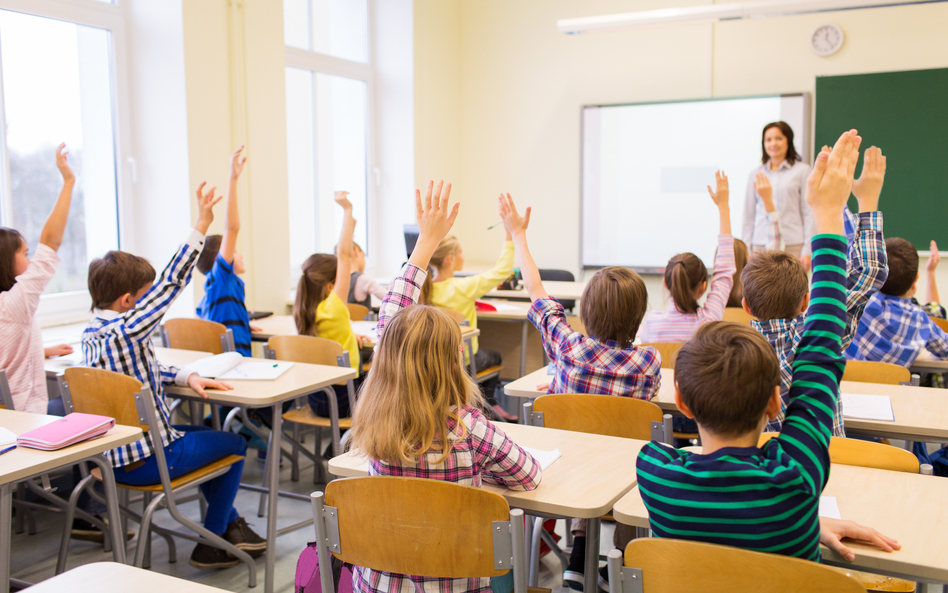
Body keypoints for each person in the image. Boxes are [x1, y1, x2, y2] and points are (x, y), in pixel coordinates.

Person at [636, 129, 901, 563]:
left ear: (681, 400)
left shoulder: (654, 473)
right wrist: (832, 214)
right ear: (777, 401)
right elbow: (820, 350)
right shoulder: (798, 479)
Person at [349, 180, 540, 593]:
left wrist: (426, 240)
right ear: (455, 362)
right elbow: (527, 476)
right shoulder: (468, 429)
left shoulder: (374, 424)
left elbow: (391, 320)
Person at [82, 182, 265, 569]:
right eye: (145, 297)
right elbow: (171, 283)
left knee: (205, 437)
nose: (153, 303)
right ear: (130, 302)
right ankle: (213, 539)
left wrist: (185, 375)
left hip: (110, 459)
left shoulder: (94, 335)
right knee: (233, 444)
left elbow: (138, 371)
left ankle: (228, 525)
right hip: (150, 458)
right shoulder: (127, 329)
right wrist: (201, 223)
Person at [496, 192, 660, 590]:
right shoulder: (649, 362)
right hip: (625, 474)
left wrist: (518, 235)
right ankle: (617, 563)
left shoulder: (568, 346)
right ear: (639, 315)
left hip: (568, 469)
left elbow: (536, 290)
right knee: (625, 465)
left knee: (579, 447)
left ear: (585, 310)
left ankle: (579, 552)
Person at [742, 145, 888, 436]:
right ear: (807, 302)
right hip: (825, 474)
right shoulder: (818, 336)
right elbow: (869, 271)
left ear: (745, 305)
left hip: (761, 476)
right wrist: (867, 200)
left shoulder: (732, 355)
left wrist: (770, 207)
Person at [0, 144, 75, 414]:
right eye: (25, 253)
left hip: (7, 420)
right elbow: (51, 242)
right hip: (26, 418)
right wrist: (68, 181)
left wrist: (39, 351)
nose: (30, 260)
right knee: (84, 403)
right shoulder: (14, 304)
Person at [423, 221, 516, 421]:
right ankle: (489, 404)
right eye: (461, 252)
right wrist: (509, 236)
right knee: (495, 356)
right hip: (463, 361)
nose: (464, 256)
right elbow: (502, 271)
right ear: (450, 259)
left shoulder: (425, 289)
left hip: (436, 360)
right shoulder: (463, 287)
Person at [638, 171, 735, 343]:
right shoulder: (707, 322)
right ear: (703, 287)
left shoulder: (652, 325)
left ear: (665, 284)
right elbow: (724, 272)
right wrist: (723, 207)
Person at [294, 191, 364, 418]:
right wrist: (347, 209)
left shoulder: (303, 311)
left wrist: (350, 337)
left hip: (316, 399)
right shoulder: (333, 307)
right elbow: (343, 255)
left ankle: (337, 443)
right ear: (329, 287)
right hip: (346, 400)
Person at [196, 145, 261, 356]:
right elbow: (232, 227)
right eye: (235, 251)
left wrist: (241, 322)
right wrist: (233, 179)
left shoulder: (214, 289)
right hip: (237, 366)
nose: (239, 254)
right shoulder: (221, 281)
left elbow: (203, 318)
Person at [846, 236, 948, 367]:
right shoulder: (921, 320)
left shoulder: (859, 303)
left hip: (849, 382)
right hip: (891, 386)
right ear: (916, 278)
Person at [742, 121, 813, 268]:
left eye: (778, 138)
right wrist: (746, 249)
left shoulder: (802, 171)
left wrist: (807, 250)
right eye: (768, 140)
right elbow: (748, 216)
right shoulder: (756, 174)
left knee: (793, 289)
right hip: (760, 244)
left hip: (792, 244)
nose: (773, 143)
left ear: (788, 141)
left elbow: (809, 213)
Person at [346, 242, 386, 309]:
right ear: (356, 251)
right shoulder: (362, 279)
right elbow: (390, 298)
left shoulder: (337, 280)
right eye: (363, 257)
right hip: (362, 319)